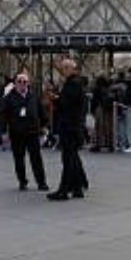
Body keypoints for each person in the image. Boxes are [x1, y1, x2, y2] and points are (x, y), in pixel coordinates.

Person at [49, 58, 88, 201]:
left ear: (71, 69)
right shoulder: (75, 84)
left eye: (65, 67)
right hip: (74, 126)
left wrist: (55, 99)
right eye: (63, 67)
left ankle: (64, 190)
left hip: (70, 127)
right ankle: (77, 188)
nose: (63, 70)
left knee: (68, 159)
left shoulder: (73, 84)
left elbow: (67, 105)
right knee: (72, 158)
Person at [2, 71, 48, 191]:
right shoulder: (8, 98)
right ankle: (22, 181)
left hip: (32, 131)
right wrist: (4, 132)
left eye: (25, 82)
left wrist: (44, 125)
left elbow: (41, 111)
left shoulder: (33, 96)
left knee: (36, 158)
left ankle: (41, 182)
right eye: (20, 82)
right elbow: (3, 116)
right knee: (19, 158)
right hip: (16, 132)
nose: (22, 84)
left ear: (28, 83)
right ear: (15, 83)